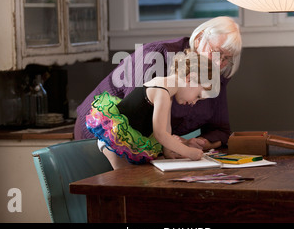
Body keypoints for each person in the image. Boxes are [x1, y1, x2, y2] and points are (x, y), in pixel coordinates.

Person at [75, 16, 242, 152]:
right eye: (218, 53)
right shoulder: (156, 55)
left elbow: (221, 130)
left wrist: (202, 142)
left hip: (149, 147)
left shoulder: (214, 77)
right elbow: (134, 121)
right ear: (198, 40)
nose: (220, 63)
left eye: (227, 58)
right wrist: (176, 146)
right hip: (100, 137)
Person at [86, 51, 219, 169]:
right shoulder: (161, 90)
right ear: (190, 78)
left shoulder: (168, 93)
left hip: (125, 139)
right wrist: (189, 152)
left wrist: (168, 151)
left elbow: (167, 130)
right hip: (115, 139)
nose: (193, 103)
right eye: (198, 96)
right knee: (125, 181)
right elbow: (160, 134)